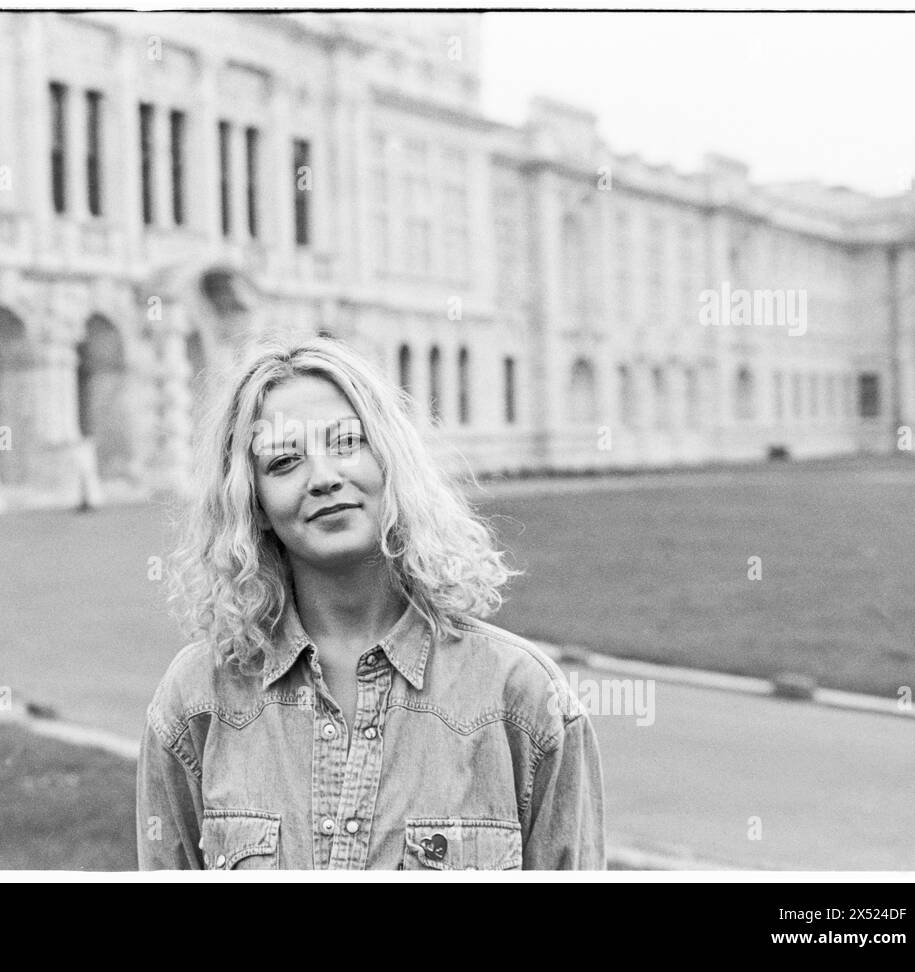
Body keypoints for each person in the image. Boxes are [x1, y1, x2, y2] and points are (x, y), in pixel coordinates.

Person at [136, 334, 604, 870]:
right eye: (284, 461)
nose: (325, 478)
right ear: (254, 503)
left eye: (346, 443)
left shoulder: (523, 701)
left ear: (390, 459)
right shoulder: (197, 701)